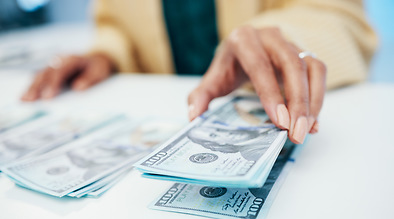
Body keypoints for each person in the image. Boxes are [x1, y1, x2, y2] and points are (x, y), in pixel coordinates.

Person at [20, 0, 378, 145]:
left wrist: (285, 42)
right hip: (164, 113)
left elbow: (340, 15)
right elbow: (117, 23)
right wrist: (106, 54)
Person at [187, 125, 280, 161]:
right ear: (217, 143)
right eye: (214, 135)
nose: (225, 132)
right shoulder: (250, 152)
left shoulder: (260, 127)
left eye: (218, 129)